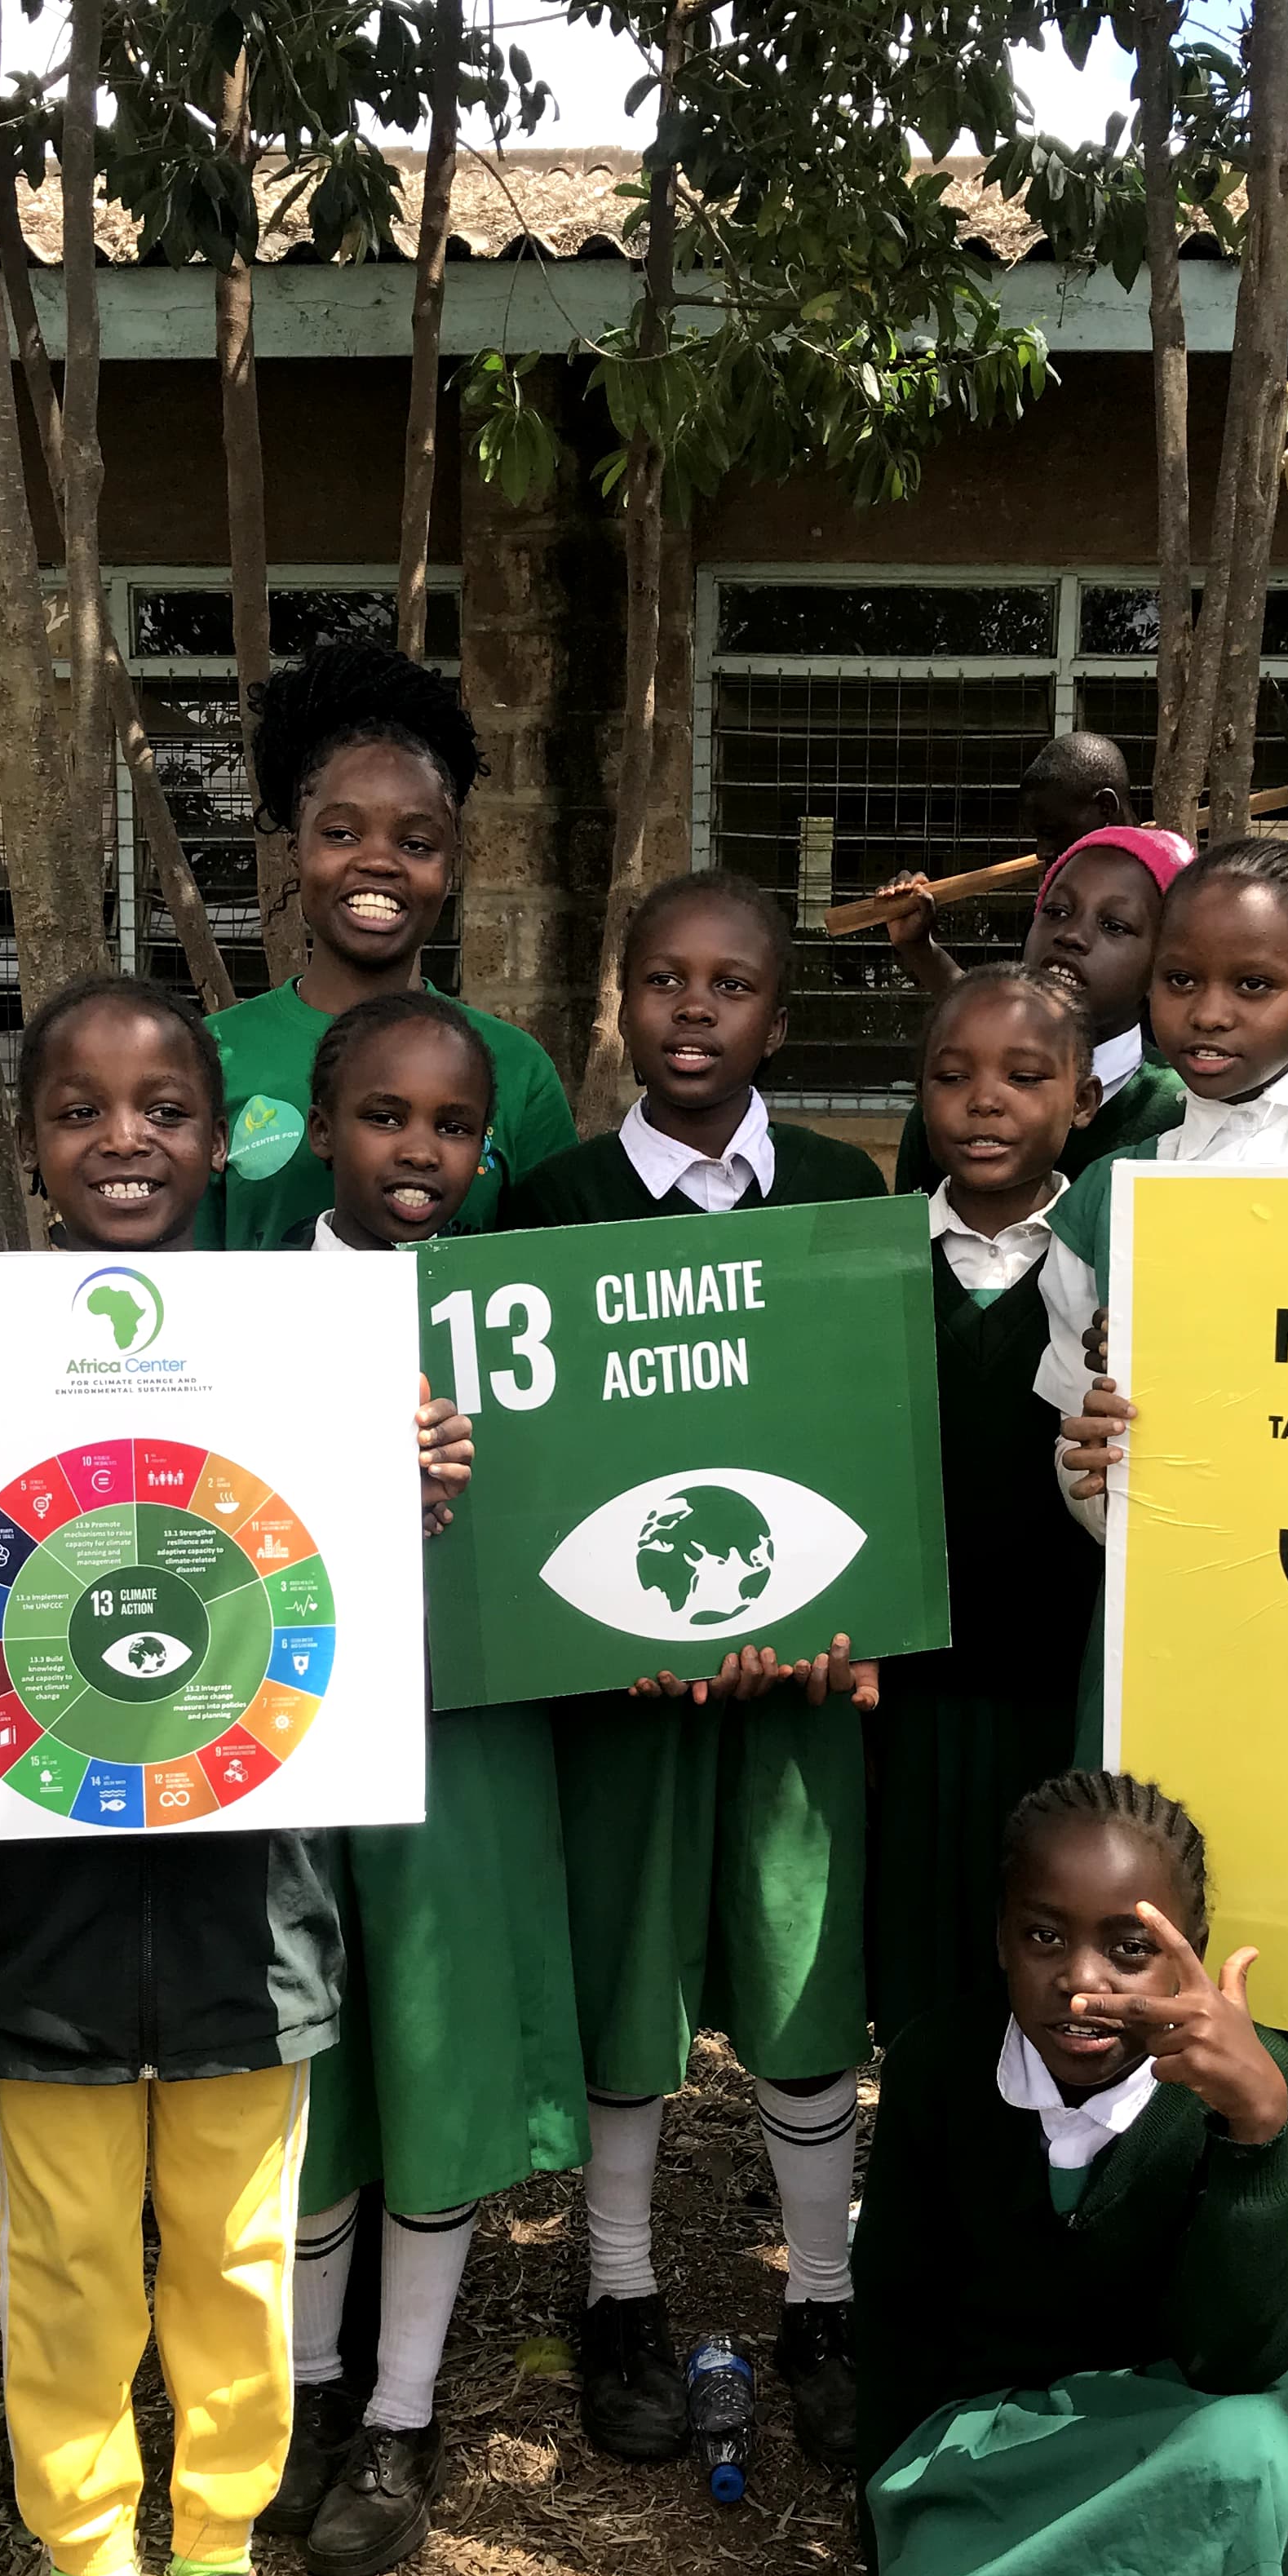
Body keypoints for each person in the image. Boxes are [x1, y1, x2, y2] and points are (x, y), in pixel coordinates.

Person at [0, 975, 470, 2576]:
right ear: (29, 1140)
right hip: (35, 1921)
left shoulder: (304, 1350)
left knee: (236, 2250)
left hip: (246, 1911)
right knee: (64, 2258)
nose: (125, 1141)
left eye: (165, 1109)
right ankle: (90, 2566)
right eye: (80, 1109)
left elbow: (323, 1598)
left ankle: (216, 2554)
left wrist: (403, 1488)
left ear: (225, 1137)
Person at [794, 1772, 1288, 2576]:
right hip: (1003, 2444)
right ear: (1001, 1939)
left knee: (1255, 2443)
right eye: (1044, 1937)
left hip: (1181, 2429)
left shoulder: (1261, 2090)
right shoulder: (942, 2066)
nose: (1083, 1981)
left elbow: (1239, 2352)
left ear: (1191, 1953)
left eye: (1130, 1948)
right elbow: (899, 2327)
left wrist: (1254, 2134)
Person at [509, 869, 886, 2470]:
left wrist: (856, 1622)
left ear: (776, 1020)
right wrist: (596, 1630)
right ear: (622, 1003)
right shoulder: (554, 1203)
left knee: (803, 1982)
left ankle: (825, 2301)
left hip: (798, 1684)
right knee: (629, 1979)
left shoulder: (841, 1190)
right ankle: (617, 2292)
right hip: (622, 1694)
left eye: (729, 985)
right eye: (663, 978)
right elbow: (528, 1464)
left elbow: (869, 1435)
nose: (692, 1007)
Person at [268, 991, 589, 2576]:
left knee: (441, 2059)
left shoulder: (524, 1318)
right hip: (293, 1738)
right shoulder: (247, 1310)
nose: (418, 1148)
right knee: (310, 2070)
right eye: (384, 1114)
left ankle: (400, 2414)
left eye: (454, 1125)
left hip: (463, 1733)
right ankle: (300, 2394)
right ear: (326, 1123)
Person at [1045, 839, 1288, 1763]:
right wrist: (1094, 1469)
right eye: (1180, 979)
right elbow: (1072, 1433)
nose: (1207, 1013)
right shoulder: (1105, 1198)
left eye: (1253, 985)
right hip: (1162, 1618)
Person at [865, 967, 1103, 2048]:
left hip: (1067, 1687)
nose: (985, 1102)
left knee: (1058, 1969)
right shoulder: (866, 1265)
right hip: (911, 1700)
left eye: (1025, 1076)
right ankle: (924, 2147)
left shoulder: (1117, 1266)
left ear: (1083, 1099)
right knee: (922, 1976)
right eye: (952, 1077)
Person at [202, 639, 575, 1249]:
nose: (379, 861)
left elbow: (556, 1277)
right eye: (341, 833)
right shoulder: (211, 1059)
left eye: (416, 844)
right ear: (296, 849)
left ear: (451, 868)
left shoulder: (516, 1069)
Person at [891, 824, 1196, 1199]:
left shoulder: (1180, 1113)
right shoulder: (947, 1116)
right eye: (1056, 911)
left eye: (1114, 925)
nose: (1072, 935)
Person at [872, 732, 1136, 1004]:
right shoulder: (1051, 908)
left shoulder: (1158, 898)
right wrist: (917, 947)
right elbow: (1014, 1016)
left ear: (1106, 807)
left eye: (1052, 832)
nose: (1042, 852)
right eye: (1057, 913)